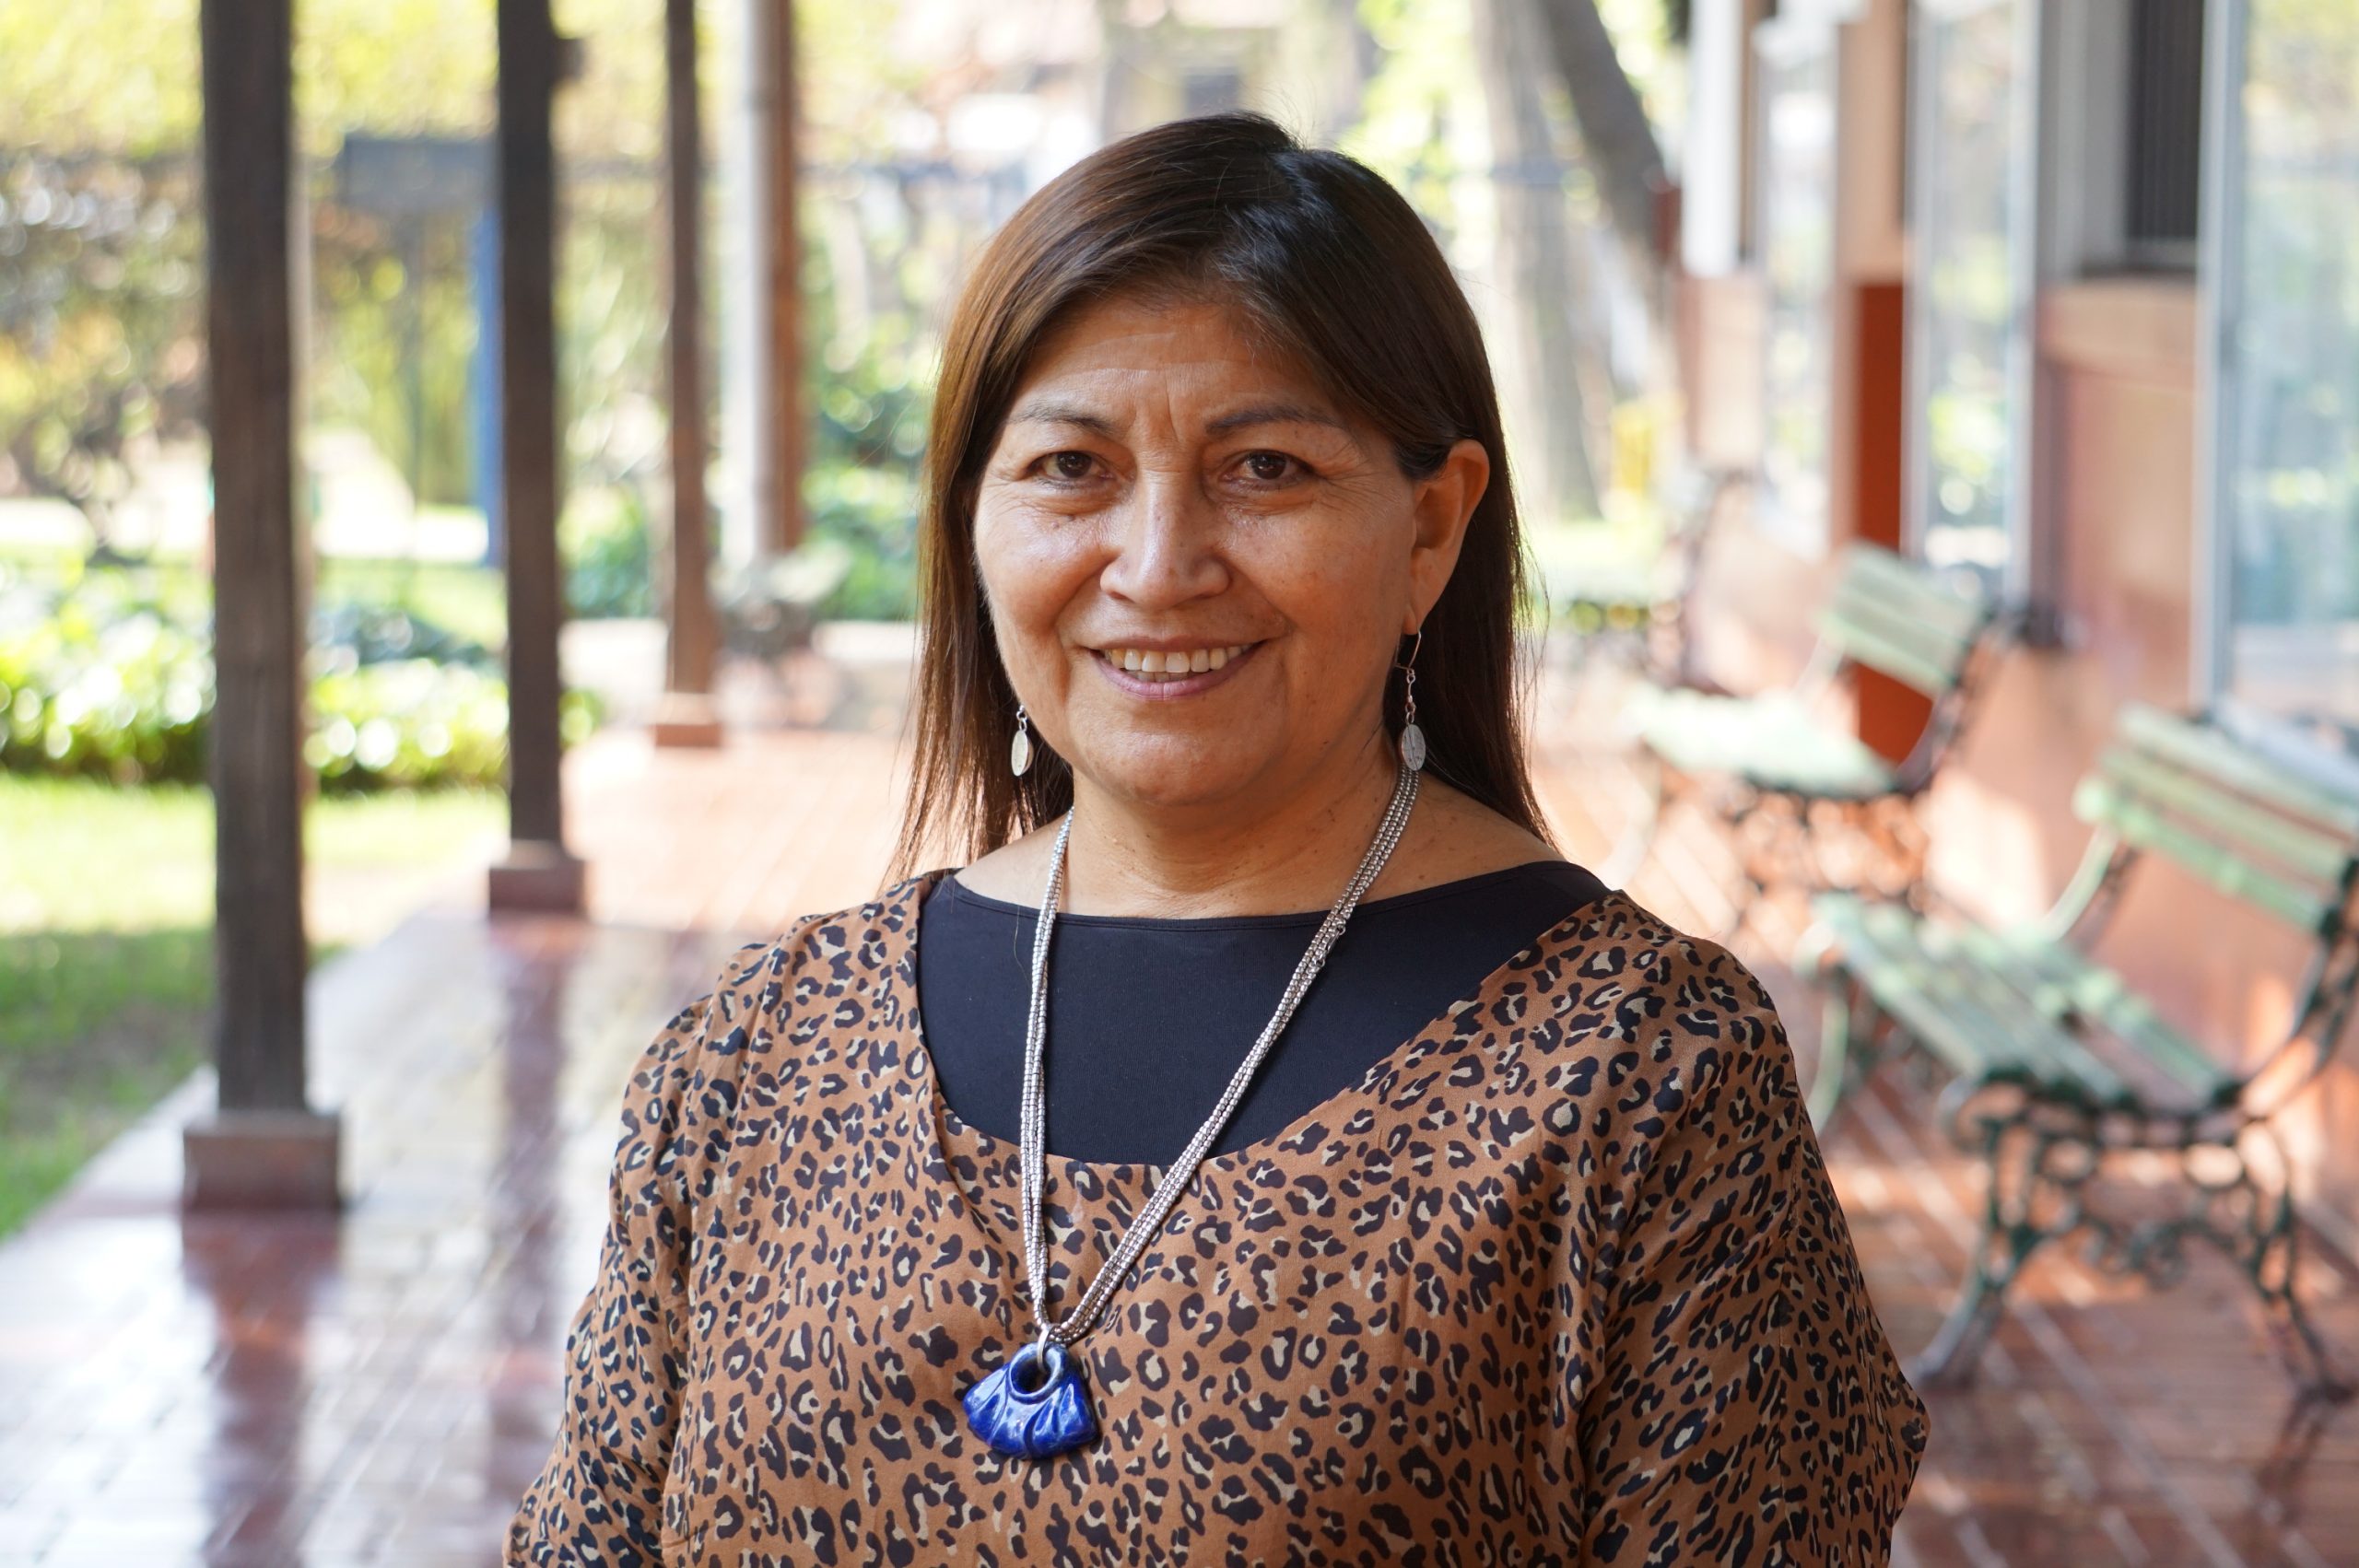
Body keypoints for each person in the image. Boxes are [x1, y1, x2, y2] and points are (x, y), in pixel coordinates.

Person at [507, 111, 1927, 1566]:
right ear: (975, 520)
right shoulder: (756, 1056)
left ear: (1430, 529)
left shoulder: (1644, 1078)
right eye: (1072, 467)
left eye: (1266, 470)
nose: (1158, 564)